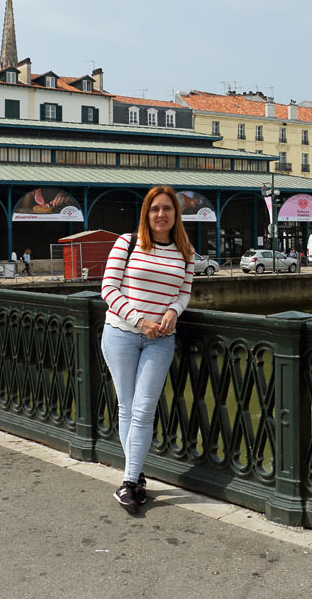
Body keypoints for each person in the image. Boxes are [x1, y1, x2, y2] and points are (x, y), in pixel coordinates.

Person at [100, 186, 194, 513]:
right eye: (155, 208)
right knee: (127, 407)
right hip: (121, 334)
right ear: (146, 213)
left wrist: (173, 311)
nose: (161, 214)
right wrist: (140, 321)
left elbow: (184, 292)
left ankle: (129, 483)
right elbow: (108, 289)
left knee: (143, 409)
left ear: (175, 215)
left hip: (161, 339)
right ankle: (134, 479)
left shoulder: (185, 251)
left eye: (167, 208)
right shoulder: (127, 242)